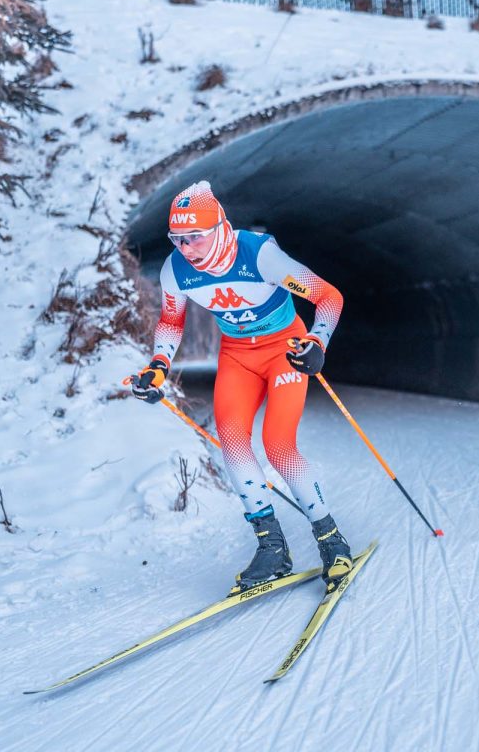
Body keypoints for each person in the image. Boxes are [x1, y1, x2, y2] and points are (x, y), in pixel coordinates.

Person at [131, 180, 353, 592]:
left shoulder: (258, 254)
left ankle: (331, 540)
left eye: (194, 237)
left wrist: (317, 341)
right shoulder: (175, 270)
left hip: (284, 349)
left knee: (279, 446)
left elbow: (328, 297)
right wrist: (158, 365)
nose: (186, 249)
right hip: (237, 355)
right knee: (232, 442)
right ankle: (272, 548)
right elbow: (171, 321)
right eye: (176, 239)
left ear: (219, 229)